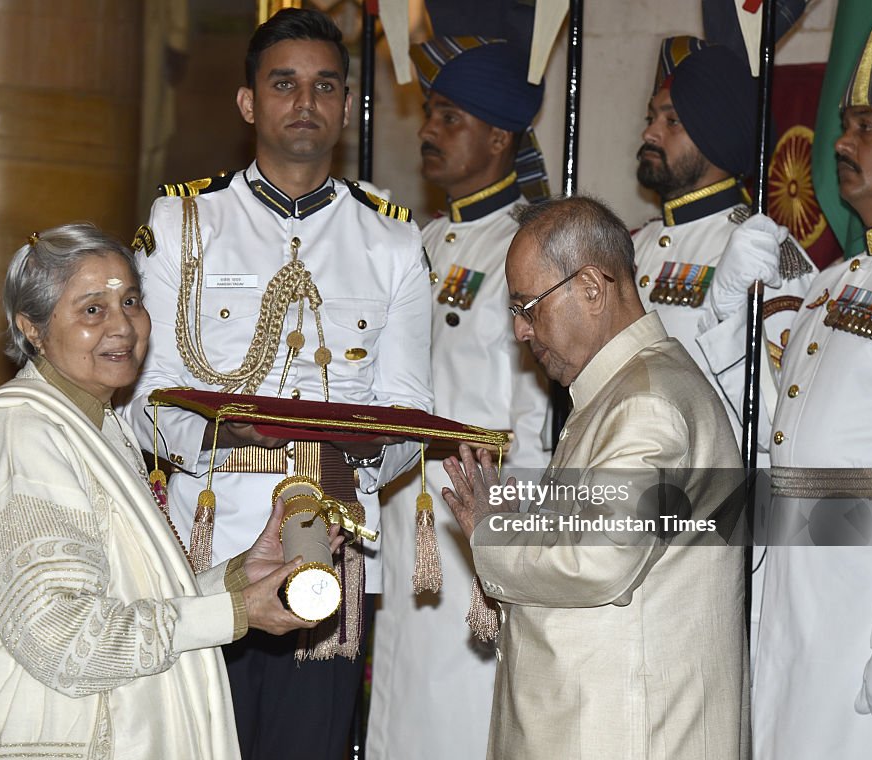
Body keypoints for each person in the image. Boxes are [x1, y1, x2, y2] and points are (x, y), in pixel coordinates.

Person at [123, 9, 432, 760]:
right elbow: (143, 398)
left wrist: (347, 466)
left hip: (330, 549)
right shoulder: (185, 222)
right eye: (284, 83)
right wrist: (233, 436)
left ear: (347, 104)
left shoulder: (392, 242)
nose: (305, 102)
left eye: (325, 85)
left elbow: (411, 413)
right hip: (207, 549)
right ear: (248, 103)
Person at [0, 223, 316, 760]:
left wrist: (236, 580)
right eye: (92, 309)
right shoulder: (24, 433)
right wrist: (235, 613)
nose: (123, 325)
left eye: (131, 301)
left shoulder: (97, 424)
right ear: (34, 328)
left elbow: (125, 602)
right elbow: (61, 637)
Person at [442, 196, 749, 759]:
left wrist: (493, 533)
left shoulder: (645, 405)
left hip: (621, 733)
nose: (519, 331)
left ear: (590, 286)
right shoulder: (623, 390)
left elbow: (599, 558)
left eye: (528, 307)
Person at [366, 37, 549, 760]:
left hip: (477, 516)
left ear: (499, 136)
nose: (428, 131)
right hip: (408, 516)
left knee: (461, 716)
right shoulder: (422, 241)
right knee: (401, 706)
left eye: (449, 118)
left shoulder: (528, 246)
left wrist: (516, 534)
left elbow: (537, 410)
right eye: (430, 115)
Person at [633, 37, 817, 636]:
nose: (652, 131)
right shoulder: (630, 248)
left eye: (673, 120)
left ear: (716, 133)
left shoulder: (764, 252)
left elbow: (778, 404)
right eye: (651, 117)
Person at [745, 26, 872, 759]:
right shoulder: (831, 285)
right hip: (791, 591)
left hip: (860, 598)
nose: (842, 141)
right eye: (843, 125)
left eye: (867, 128)